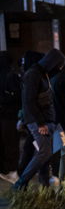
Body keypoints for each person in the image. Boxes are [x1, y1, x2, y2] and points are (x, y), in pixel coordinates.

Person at [14, 49, 65, 190]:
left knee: (46, 155)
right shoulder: (33, 74)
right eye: (60, 65)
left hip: (47, 120)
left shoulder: (43, 74)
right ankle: (20, 183)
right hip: (39, 122)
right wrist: (40, 123)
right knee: (45, 152)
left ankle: (44, 187)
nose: (60, 69)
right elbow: (29, 101)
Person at [0, 52, 22, 184]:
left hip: (8, 115)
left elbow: (17, 96)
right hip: (9, 116)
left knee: (8, 143)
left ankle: (10, 169)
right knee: (10, 143)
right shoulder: (11, 76)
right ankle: (9, 169)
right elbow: (18, 96)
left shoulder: (11, 77)